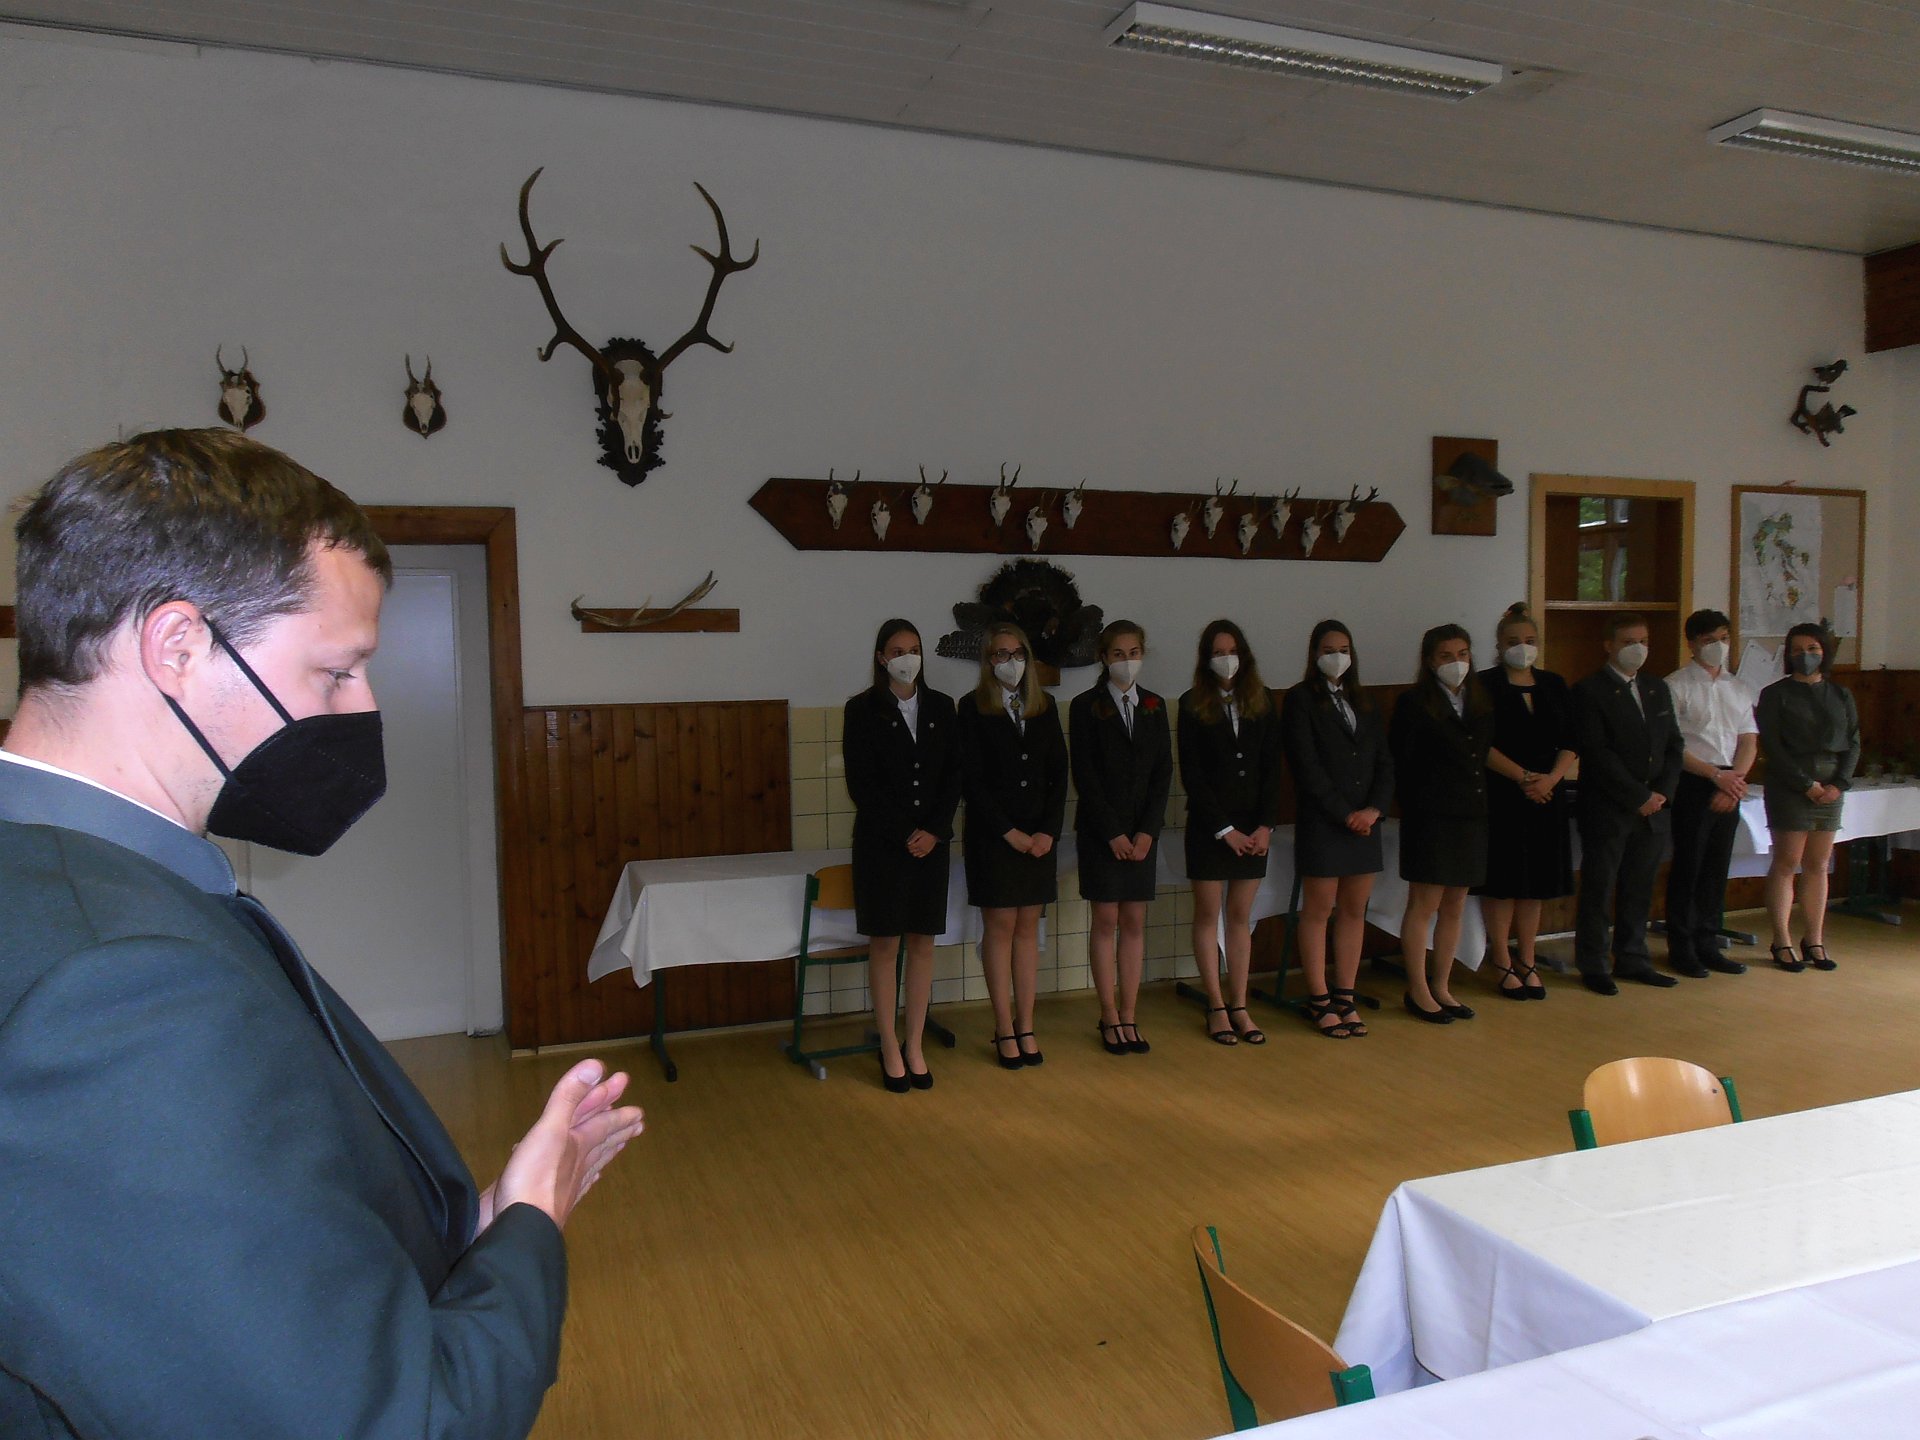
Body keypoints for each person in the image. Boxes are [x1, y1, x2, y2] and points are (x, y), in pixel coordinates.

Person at [0, 429, 644, 1440]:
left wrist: (462, 1234)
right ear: (177, 647)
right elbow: (397, 1423)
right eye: (337, 671)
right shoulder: (118, 987)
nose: (365, 706)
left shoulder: (78, 877)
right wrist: (528, 1227)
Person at [843, 618, 962, 1091]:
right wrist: (906, 832)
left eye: (913, 649)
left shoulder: (942, 706)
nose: (907, 658)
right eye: (897, 651)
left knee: (923, 943)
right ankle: (889, 1044)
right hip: (882, 846)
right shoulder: (861, 709)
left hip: (932, 846)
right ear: (881, 658)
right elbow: (862, 785)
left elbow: (952, 777)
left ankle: (915, 1043)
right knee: (885, 944)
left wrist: (933, 831)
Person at [956, 621, 1068, 1068]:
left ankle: (1026, 1024)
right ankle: (1003, 1027)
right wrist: (1008, 832)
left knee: (1027, 929)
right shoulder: (972, 707)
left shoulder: (1045, 706)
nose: (1011, 662)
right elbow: (971, 780)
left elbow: (1058, 774)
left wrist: (1048, 832)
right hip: (994, 838)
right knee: (1000, 928)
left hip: (1038, 838)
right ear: (988, 661)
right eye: (1001, 654)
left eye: (1018, 653)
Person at [1280, 620, 1392, 1038]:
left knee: (1354, 910)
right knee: (1318, 910)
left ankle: (1345, 995)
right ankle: (1319, 997)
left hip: (1366, 823)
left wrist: (1374, 810)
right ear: (1315, 654)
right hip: (1325, 822)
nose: (1337, 656)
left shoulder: (1364, 700)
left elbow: (1384, 761)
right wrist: (1346, 814)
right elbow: (1306, 766)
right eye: (1329, 650)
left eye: (1344, 649)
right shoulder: (1300, 699)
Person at [1069, 619, 1173, 1056]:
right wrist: (1113, 832)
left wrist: (1148, 831)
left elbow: (1163, 773)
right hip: (1102, 833)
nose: (1126, 662)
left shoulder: (1154, 704)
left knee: (1134, 921)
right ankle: (1109, 1014)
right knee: (1106, 920)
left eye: (1133, 654)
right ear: (1103, 657)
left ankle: (1130, 1014)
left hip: (1142, 834)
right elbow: (1085, 774)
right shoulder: (1085, 706)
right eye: (1117, 654)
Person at [1177, 619, 1283, 1046]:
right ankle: (1216, 1005)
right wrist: (1225, 830)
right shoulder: (1191, 703)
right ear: (1206, 659)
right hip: (1210, 828)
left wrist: (1265, 826)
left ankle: (1240, 1004)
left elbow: (1272, 769)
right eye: (1218, 652)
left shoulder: (1263, 700)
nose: (1227, 659)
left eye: (1232, 651)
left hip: (1254, 828)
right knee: (1208, 914)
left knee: (1240, 916)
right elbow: (1193, 775)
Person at [1569, 612, 1685, 995]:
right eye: (1628, 642)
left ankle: (1633, 958)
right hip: (1609, 807)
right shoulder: (1589, 691)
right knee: (1600, 887)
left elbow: (1673, 745)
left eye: (1643, 641)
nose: (1638, 648)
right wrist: (1638, 796)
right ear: (1609, 646)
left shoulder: (1656, 687)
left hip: (1654, 808)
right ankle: (1594, 963)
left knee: (1640, 885)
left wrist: (1662, 793)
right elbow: (1597, 753)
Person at [1390, 624, 1494, 1023]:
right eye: (1446, 656)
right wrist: (1423, 806)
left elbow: (1481, 753)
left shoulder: (1479, 699)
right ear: (1430, 661)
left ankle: (1442, 985)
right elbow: (1403, 762)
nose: (1457, 662)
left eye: (1463, 654)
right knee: (1424, 904)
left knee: (1455, 904)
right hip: (1431, 818)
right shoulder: (1414, 702)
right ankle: (1418, 989)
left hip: (1471, 815)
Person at [1476, 603, 1576, 1000]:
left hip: (1548, 794)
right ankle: (1501, 959)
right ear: (1500, 645)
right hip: (1504, 794)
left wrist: (1550, 778)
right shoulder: (1484, 684)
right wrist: (1523, 777)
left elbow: (1571, 740)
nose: (1523, 647)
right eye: (1514, 641)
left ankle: (1528, 958)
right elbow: (1481, 742)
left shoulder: (1554, 683)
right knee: (1504, 882)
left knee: (1535, 884)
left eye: (1530, 640)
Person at [1755, 622, 1860, 973]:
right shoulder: (1775, 694)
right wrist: (1806, 785)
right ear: (1788, 654)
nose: (1806, 655)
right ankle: (1782, 940)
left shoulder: (1841, 694)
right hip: (1790, 784)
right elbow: (1772, 747)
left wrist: (1839, 784)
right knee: (1787, 862)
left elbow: (1854, 741)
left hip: (1831, 785)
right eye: (1798, 650)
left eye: (1813, 648)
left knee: (1818, 864)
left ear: (1824, 651)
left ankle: (1814, 939)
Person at [1664, 608, 1758, 978]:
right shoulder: (1676, 685)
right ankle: (1681, 947)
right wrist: (1715, 777)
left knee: (1717, 867)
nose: (1718, 646)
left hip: (1731, 781)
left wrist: (1734, 782)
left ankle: (1708, 942)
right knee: (1689, 865)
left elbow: (1748, 740)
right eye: (1708, 640)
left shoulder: (1739, 687)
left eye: (1723, 638)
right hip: (1693, 781)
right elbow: (1674, 746)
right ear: (1691, 644)